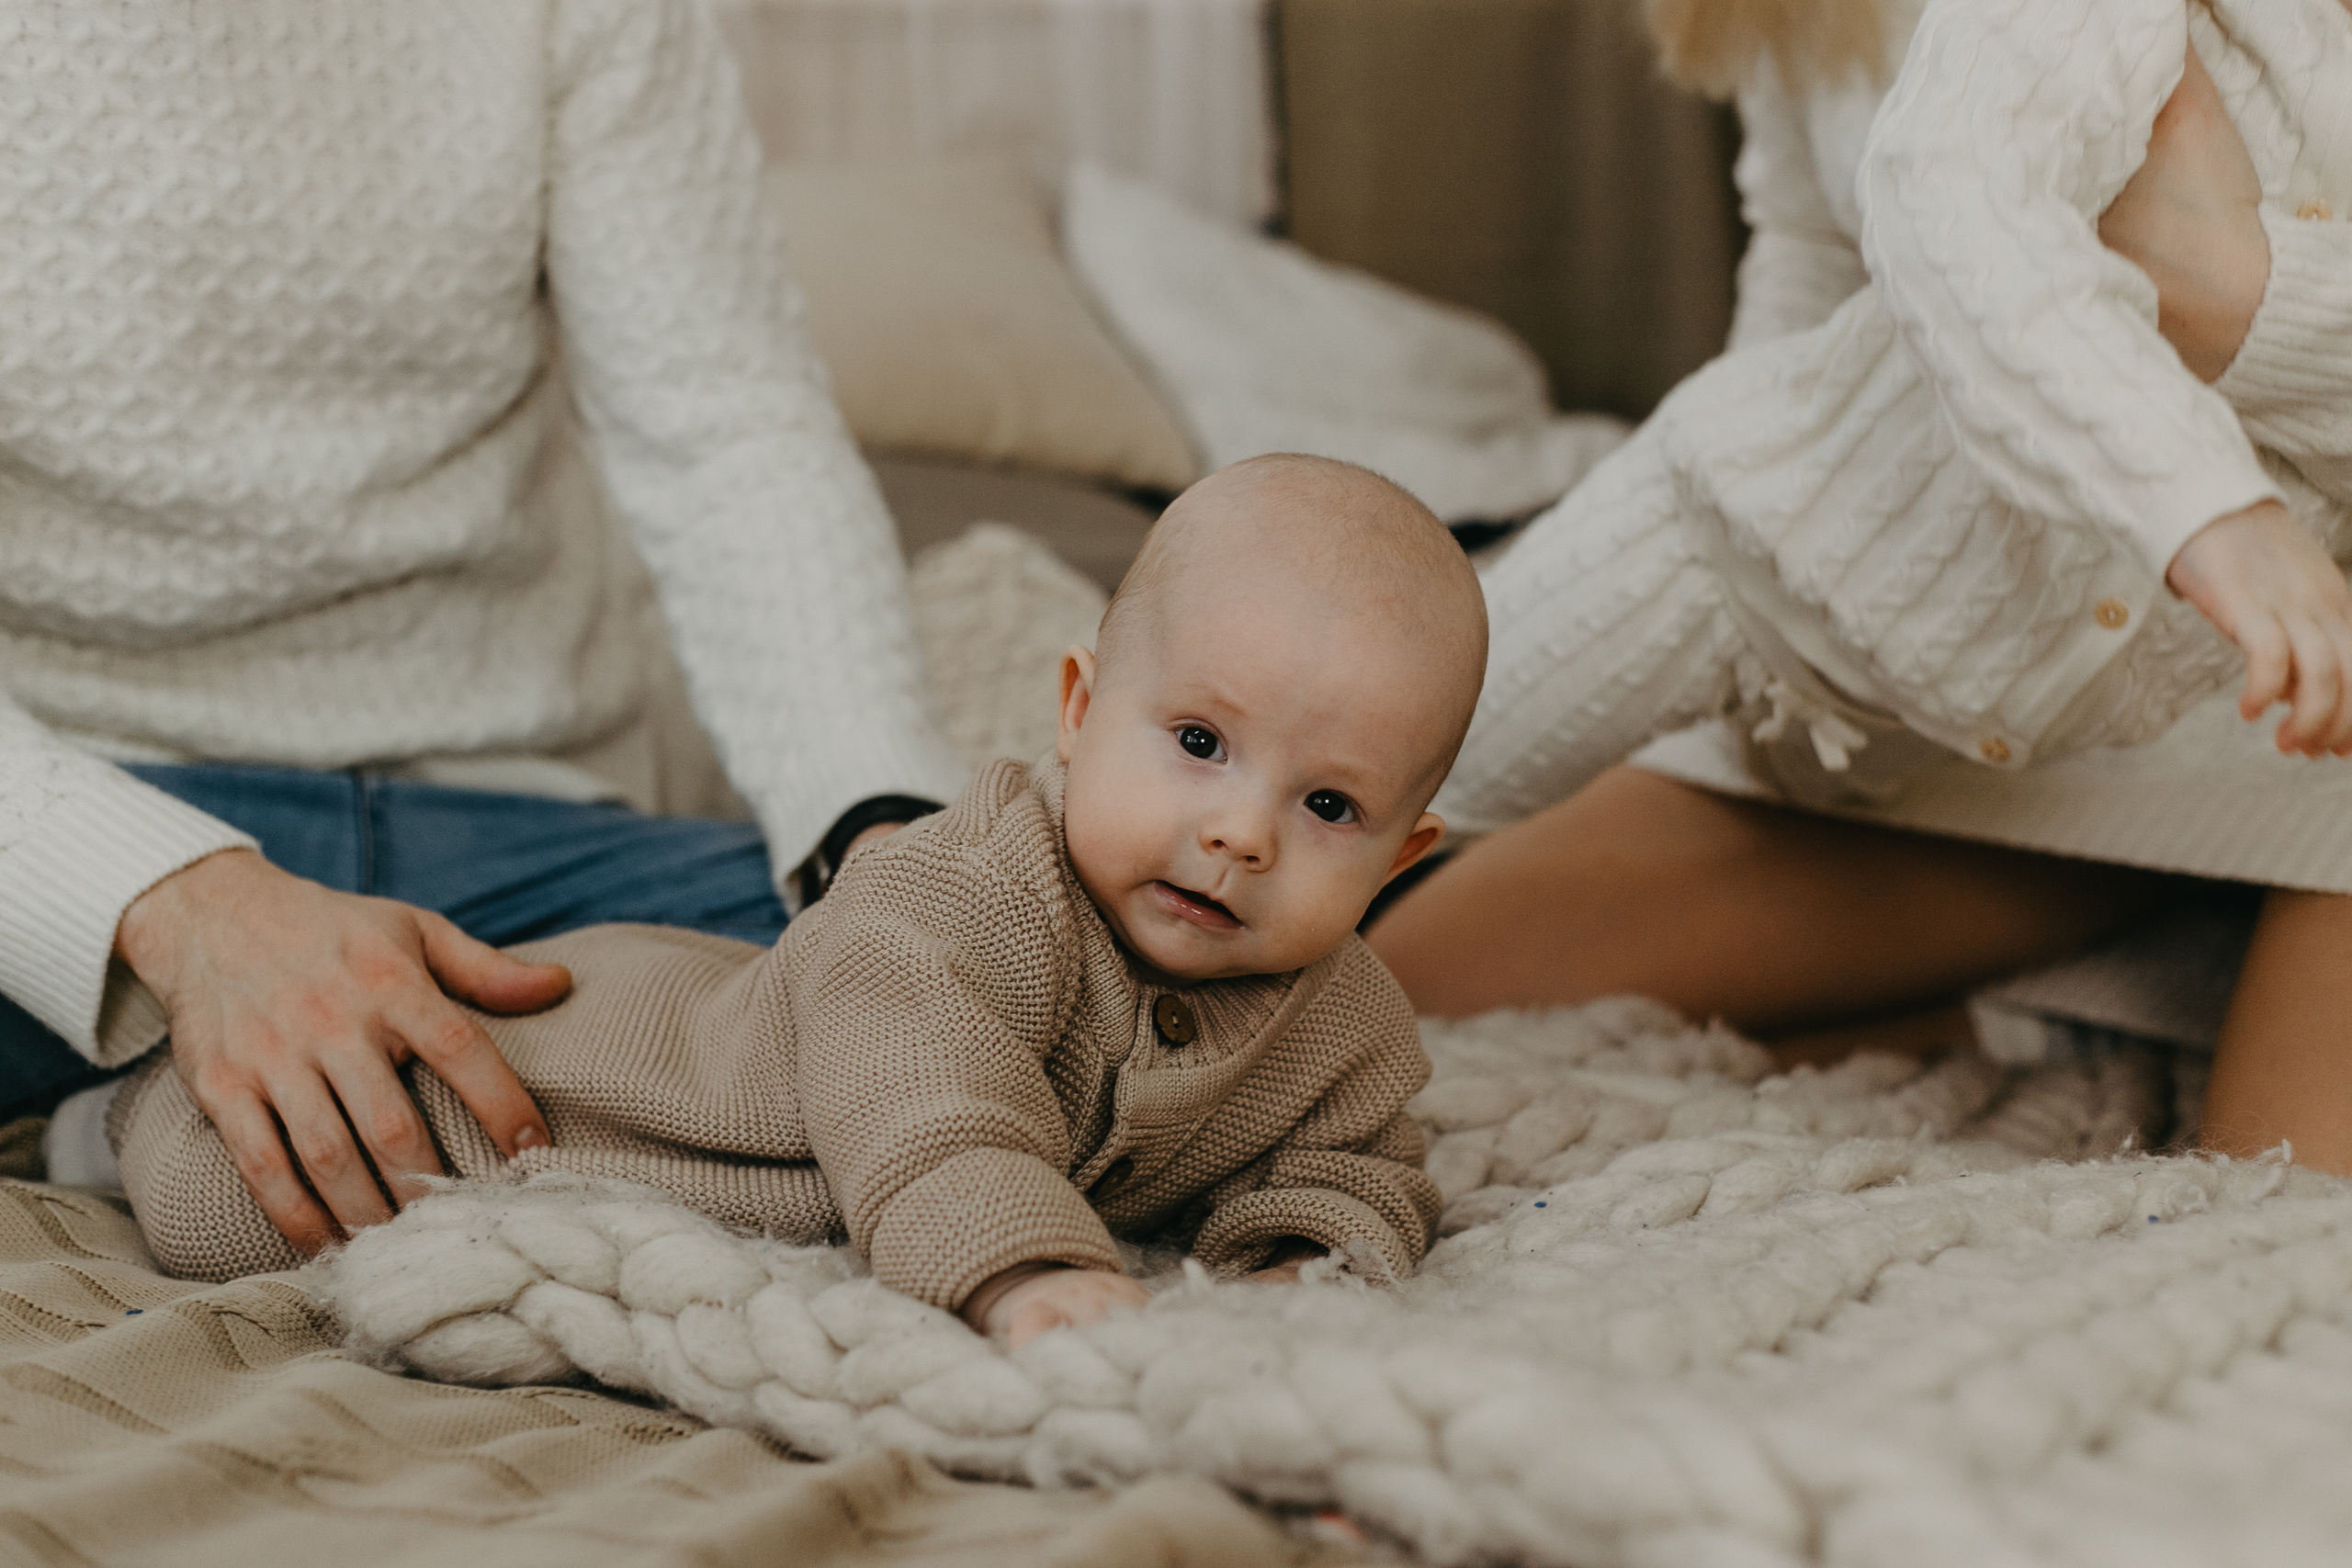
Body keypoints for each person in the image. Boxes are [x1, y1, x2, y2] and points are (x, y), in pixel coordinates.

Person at [111, 456, 1481, 1347]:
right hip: (583, 1090)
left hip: (705, 1083)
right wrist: (1024, 1271)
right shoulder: (966, 888)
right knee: (230, 1196)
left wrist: (1301, 1265)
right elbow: (927, 1101)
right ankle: (114, 1106)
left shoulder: (1342, 1024)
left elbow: (1358, 1167)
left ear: (1402, 856)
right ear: (1077, 710)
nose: (1240, 832)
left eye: (1327, 807)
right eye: (1197, 742)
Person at [0, 3, 968, 1243]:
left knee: (1047, 1002)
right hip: (97, 809)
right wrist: (183, 911)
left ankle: (165, 1114)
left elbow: (727, 429)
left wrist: (880, 838)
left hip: (516, 817)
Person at [1371, 0, 2352, 1166]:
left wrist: (2238, 298)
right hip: (1965, 679)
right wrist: (1770, 612)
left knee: (2275, 1196)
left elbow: (1999, 227)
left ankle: (2162, 943)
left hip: (2284, 693)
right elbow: (1820, 257)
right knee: (1402, 972)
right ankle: (2088, 968)